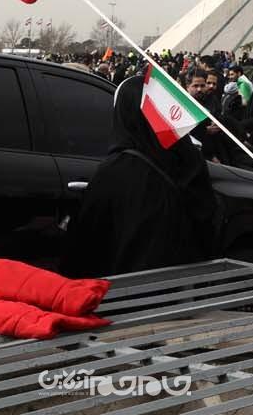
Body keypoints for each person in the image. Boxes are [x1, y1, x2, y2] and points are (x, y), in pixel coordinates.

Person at [64, 74, 219, 276]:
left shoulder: (113, 173)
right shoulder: (189, 161)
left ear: (123, 112)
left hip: (128, 289)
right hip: (183, 285)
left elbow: (82, 252)